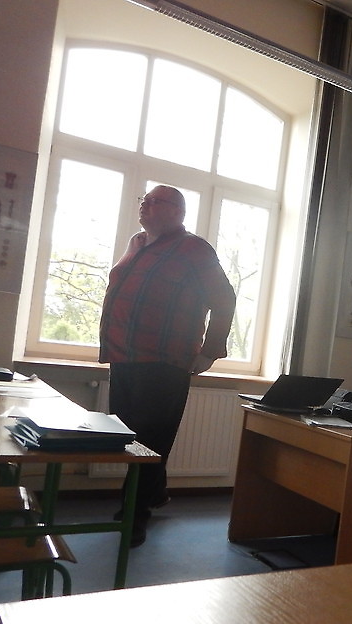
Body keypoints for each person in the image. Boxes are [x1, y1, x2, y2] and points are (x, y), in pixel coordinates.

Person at [99, 186, 235, 547]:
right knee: (130, 437)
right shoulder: (137, 243)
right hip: (124, 357)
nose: (145, 204)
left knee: (148, 441)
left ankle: (134, 516)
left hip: (164, 362)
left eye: (154, 201)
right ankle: (155, 493)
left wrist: (210, 351)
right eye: (143, 200)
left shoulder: (195, 249)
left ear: (177, 211)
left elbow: (224, 299)